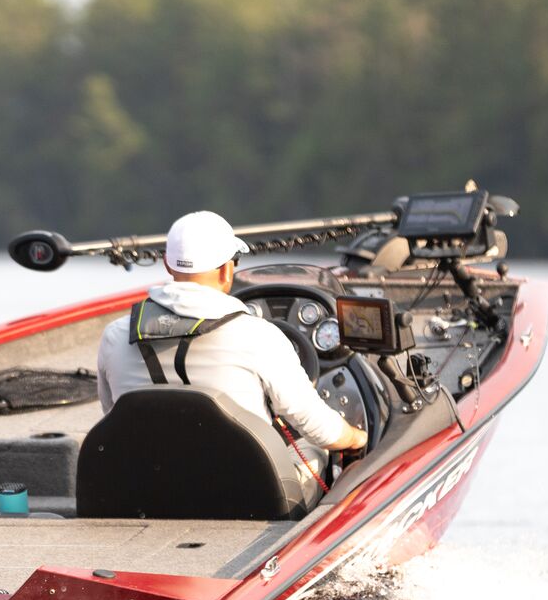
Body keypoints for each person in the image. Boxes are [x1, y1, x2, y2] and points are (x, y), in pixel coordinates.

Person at [95, 210, 366, 491]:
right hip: (245, 491)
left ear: (167, 264)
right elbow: (317, 427)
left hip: (148, 488)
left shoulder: (116, 335)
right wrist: (356, 439)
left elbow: (113, 417)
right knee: (313, 446)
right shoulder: (258, 335)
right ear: (227, 270)